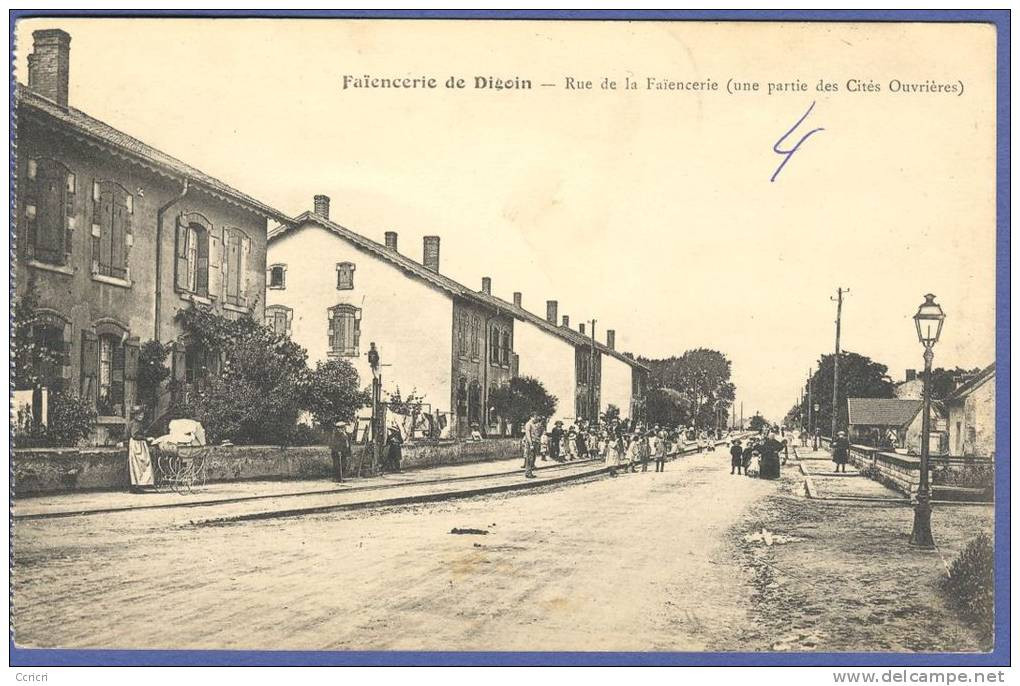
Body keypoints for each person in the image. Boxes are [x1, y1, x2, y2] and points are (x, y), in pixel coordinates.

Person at [125, 405, 156, 493]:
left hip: (134, 444)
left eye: (142, 414)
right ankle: (136, 485)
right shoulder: (136, 424)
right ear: (135, 415)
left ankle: (134, 485)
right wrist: (146, 438)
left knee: (135, 465)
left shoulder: (132, 423)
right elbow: (135, 435)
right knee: (139, 464)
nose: (141, 416)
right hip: (137, 445)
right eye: (139, 414)